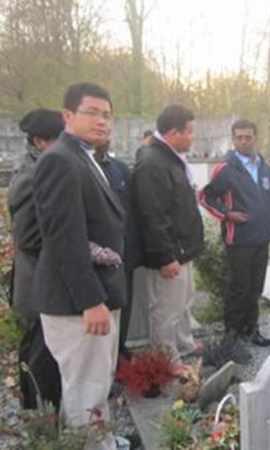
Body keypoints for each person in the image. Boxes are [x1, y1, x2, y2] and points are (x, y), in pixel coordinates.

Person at [32, 82, 126, 450]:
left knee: (97, 382)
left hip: (96, 294)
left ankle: (101, 440)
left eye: (107, 115)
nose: (102, 121)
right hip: (77, 303)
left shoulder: (84, 157)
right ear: (68, 116)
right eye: (92, 112)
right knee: (85, 388)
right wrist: (90, 300)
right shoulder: (59, 160)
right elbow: (63, 239)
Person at [132, 104, 204, 374]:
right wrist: (165, 257)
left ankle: (184, 344)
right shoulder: (152, 162)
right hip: (170, 253)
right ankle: (167, 360)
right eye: (189, 132)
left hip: (182, 249)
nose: (192, 137)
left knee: (183, 304)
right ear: (174, 133)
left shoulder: (170, 158)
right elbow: (152, 214)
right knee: (166, 310)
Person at [199, 119, 270, 353]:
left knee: (255, 288)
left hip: (262, 238)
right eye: (239, 137)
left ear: (255, 138)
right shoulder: (225, 169)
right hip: (239, 240)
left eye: (248, 137)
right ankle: (232, 335)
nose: (244, 141)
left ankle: (251, 330)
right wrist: (227, 214)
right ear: (233, 139)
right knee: (239, 289)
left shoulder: (265, 168)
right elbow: (205, 197)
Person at [8, 108, 63, 411]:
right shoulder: (33, 176)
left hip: (39, 278)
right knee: (40, 353)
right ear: (40, 141)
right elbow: (29, 237)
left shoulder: (39, 167)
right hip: (37, 281)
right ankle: (41, 416)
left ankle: (41, 410)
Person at [94, 140, 143, 361]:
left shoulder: (119, 169)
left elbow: (133, 211)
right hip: (96, 257)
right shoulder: (80, 169)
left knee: (124, 306)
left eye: (108, 132)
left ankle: (120, 352)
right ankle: (104, 361)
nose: (104, 138)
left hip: (124, 254)